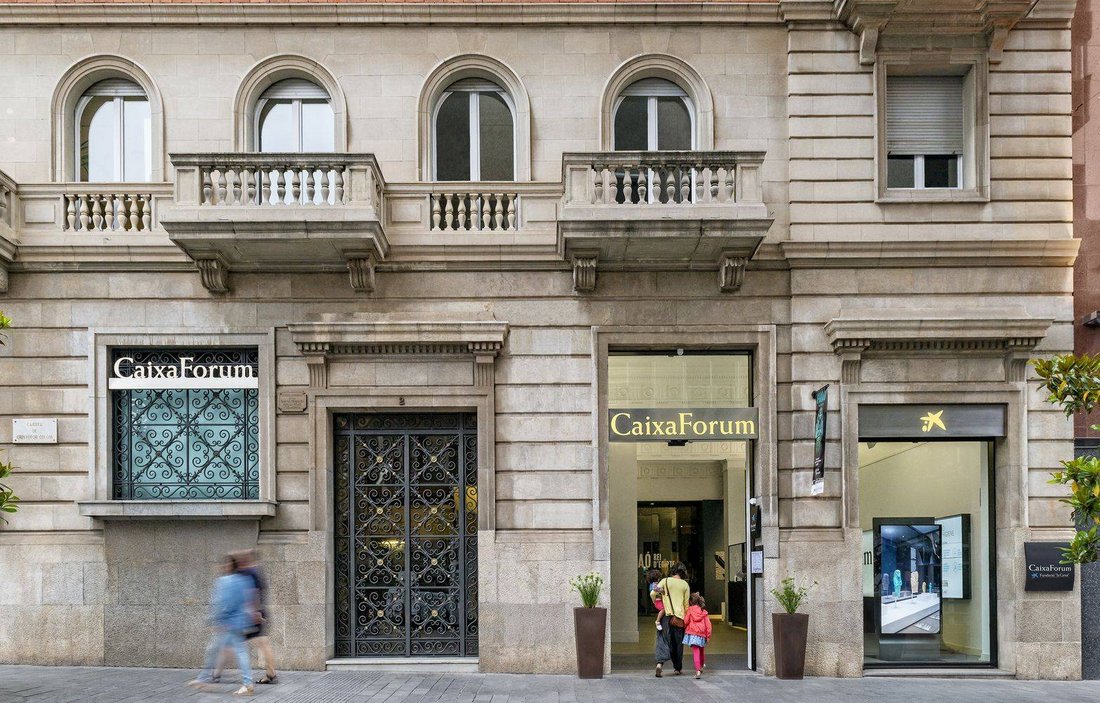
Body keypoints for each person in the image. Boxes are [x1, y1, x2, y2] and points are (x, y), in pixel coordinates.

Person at [189, 555, 256, 696]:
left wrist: (215, 619)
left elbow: (221, 603)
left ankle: (204, 678)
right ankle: (246, 683)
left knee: (213, 650)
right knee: (238, 652)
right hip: (239, 622)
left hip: (227, 623)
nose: (222, 567)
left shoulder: (224, 581)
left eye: (224, 564)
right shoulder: (244, 580)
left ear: (229, 566)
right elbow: (248, 601)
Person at [214, 550, 278, 685]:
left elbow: (252, 593)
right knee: (257, 643)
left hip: (251, 615)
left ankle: (216, 674)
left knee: (234, 644)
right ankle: (271, 673)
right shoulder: (255, 571)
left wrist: (255, 612)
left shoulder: (250, 573)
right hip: (253, 613)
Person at [652, 562, 690, 678]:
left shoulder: (665, 581)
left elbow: (653, 593)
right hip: (679, 618)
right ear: (683, 572)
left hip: (666, 616)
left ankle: (659, 664)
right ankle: (677, 668)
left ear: (673, 571)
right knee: (677, 643)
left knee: (663, 639)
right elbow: (686, 605)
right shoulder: (685, 585)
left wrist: (657, 603)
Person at [683, 592, 712, 679]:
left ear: (691, 602)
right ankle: (701, 667)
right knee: (701, 651)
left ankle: (698, 671)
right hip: (702, 635)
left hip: (692, 634)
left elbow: (685, 621)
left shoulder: (690, 610)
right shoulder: (703, 611)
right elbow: (708, 625)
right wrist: (708, 636)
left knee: (695, 652)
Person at [645, 567, 665, 631]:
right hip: (657, 601)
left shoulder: (652, 584)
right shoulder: (654, 584)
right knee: (663, 609)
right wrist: (662, 590)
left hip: (658, 601)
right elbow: (655, 589)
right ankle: (657, 621)